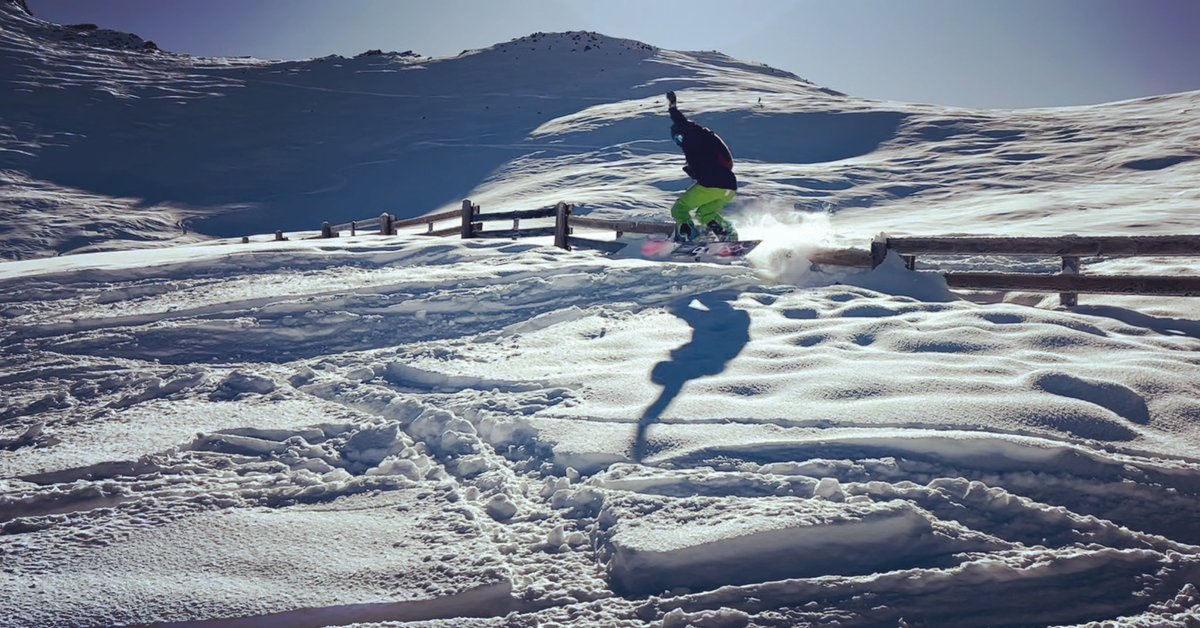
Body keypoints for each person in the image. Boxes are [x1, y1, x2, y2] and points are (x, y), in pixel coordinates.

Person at [666, 91, 738, 242]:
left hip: (712, 184)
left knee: (679, 209)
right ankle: (728, 236)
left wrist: (672, 107)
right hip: (729, 187)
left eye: (677, 138)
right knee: (705, 213)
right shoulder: (705, 142)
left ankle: (692, 237)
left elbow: (682, 123)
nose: (678, 142)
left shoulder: (692, 136)